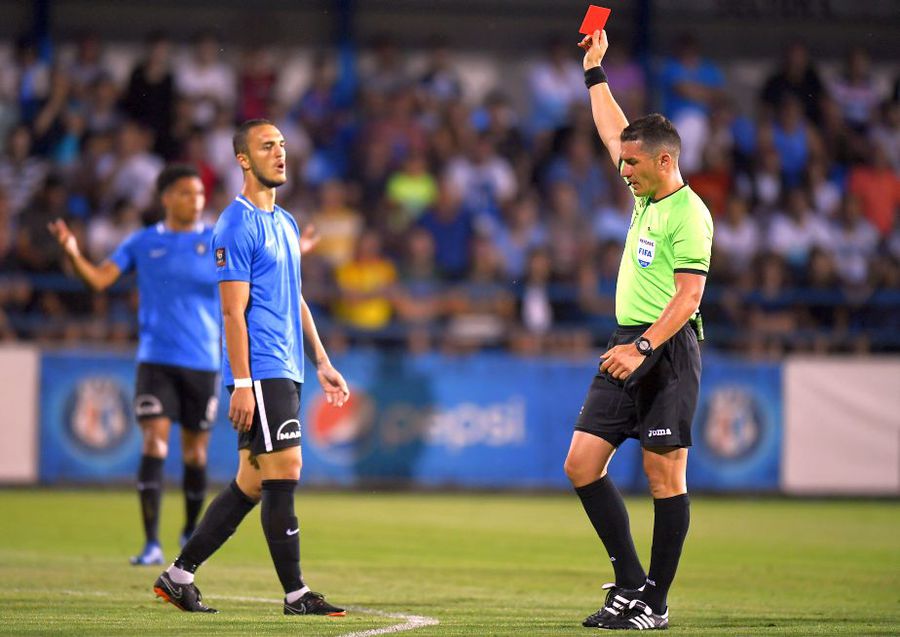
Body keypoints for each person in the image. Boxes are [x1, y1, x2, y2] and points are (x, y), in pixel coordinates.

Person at [152, 119, 350, 617]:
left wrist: (322, 361)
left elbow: (295, 298)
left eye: (282, 145)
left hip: (288, 367)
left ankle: (178, 575)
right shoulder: (234, 224)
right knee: (287, 468)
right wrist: (242, 383)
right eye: (268, 146)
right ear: (243, 159)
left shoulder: (284, 222)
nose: (280, 153)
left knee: (252, 482)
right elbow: (231, 312)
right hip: (261, 369)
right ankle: (297, 594)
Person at [564, 30, 714, 630]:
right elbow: (610, 129)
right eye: (622, 161)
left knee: (663, 473)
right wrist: (594, 73)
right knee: (581, 463)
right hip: (626, 342)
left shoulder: (688, 213)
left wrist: (645, 345)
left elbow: (690, 296)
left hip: (666, 348)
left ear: (665, 160)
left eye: (631, 162)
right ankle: (630, 581)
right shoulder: (645, 196)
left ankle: (656, 602)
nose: (621, 169)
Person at [47, 164, 220, 566]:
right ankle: (151, 543)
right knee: (154, 442)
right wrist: (74, 253)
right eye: (184, 193)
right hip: (156, 360)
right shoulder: (142, 242)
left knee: (195, 454)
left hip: (203, 361)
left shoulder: (216, 241)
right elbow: (100, 281)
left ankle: (188, 530)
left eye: (198, 194)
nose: (194, 200)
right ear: (165, 198)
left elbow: (254, 274)